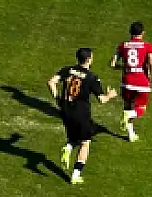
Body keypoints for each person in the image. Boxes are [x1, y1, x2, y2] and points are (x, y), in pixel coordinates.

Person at [48, 47, 119, 185]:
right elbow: (102, 100)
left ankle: (68, 147)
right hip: (81, 113)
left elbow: (51, 82)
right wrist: (110, 95)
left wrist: (57, 98)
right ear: (89, 59)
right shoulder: (92, 78)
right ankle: (76, 175)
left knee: (75, 135)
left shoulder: (67, 69)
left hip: (65, 111)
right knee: (85, 143)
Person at [112, 21, 152, 142]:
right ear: (143, 33)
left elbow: (112, 64)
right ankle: (130, 117)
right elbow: (151, 63)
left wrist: (125, 67)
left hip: (126, 81)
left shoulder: (123, 45)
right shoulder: (147, 46)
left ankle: (131, 134)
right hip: (141, 82)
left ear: (130, 32)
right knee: (141, 108)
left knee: (128, 106)